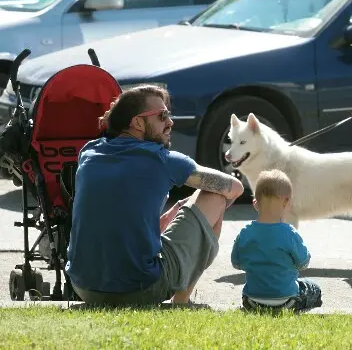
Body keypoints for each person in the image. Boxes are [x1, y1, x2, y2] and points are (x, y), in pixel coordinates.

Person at [65, 85, 245, 306]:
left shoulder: (89, 151)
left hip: (83, 287)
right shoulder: (161, 159)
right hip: (140, 289)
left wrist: (177, 208)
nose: (170, 122)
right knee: (215, 197)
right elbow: (234, 187)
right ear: (137, 122)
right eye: (163, 116)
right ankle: (182, 301)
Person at [231, 169, 322, 312]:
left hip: (252, 301)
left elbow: (236, 263)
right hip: (287, 301)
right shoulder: (290, 233)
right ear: (286, 202)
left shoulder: (245, 233)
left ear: (255, 203)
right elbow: (303, 263)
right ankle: (299, 309)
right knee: (313, 288)